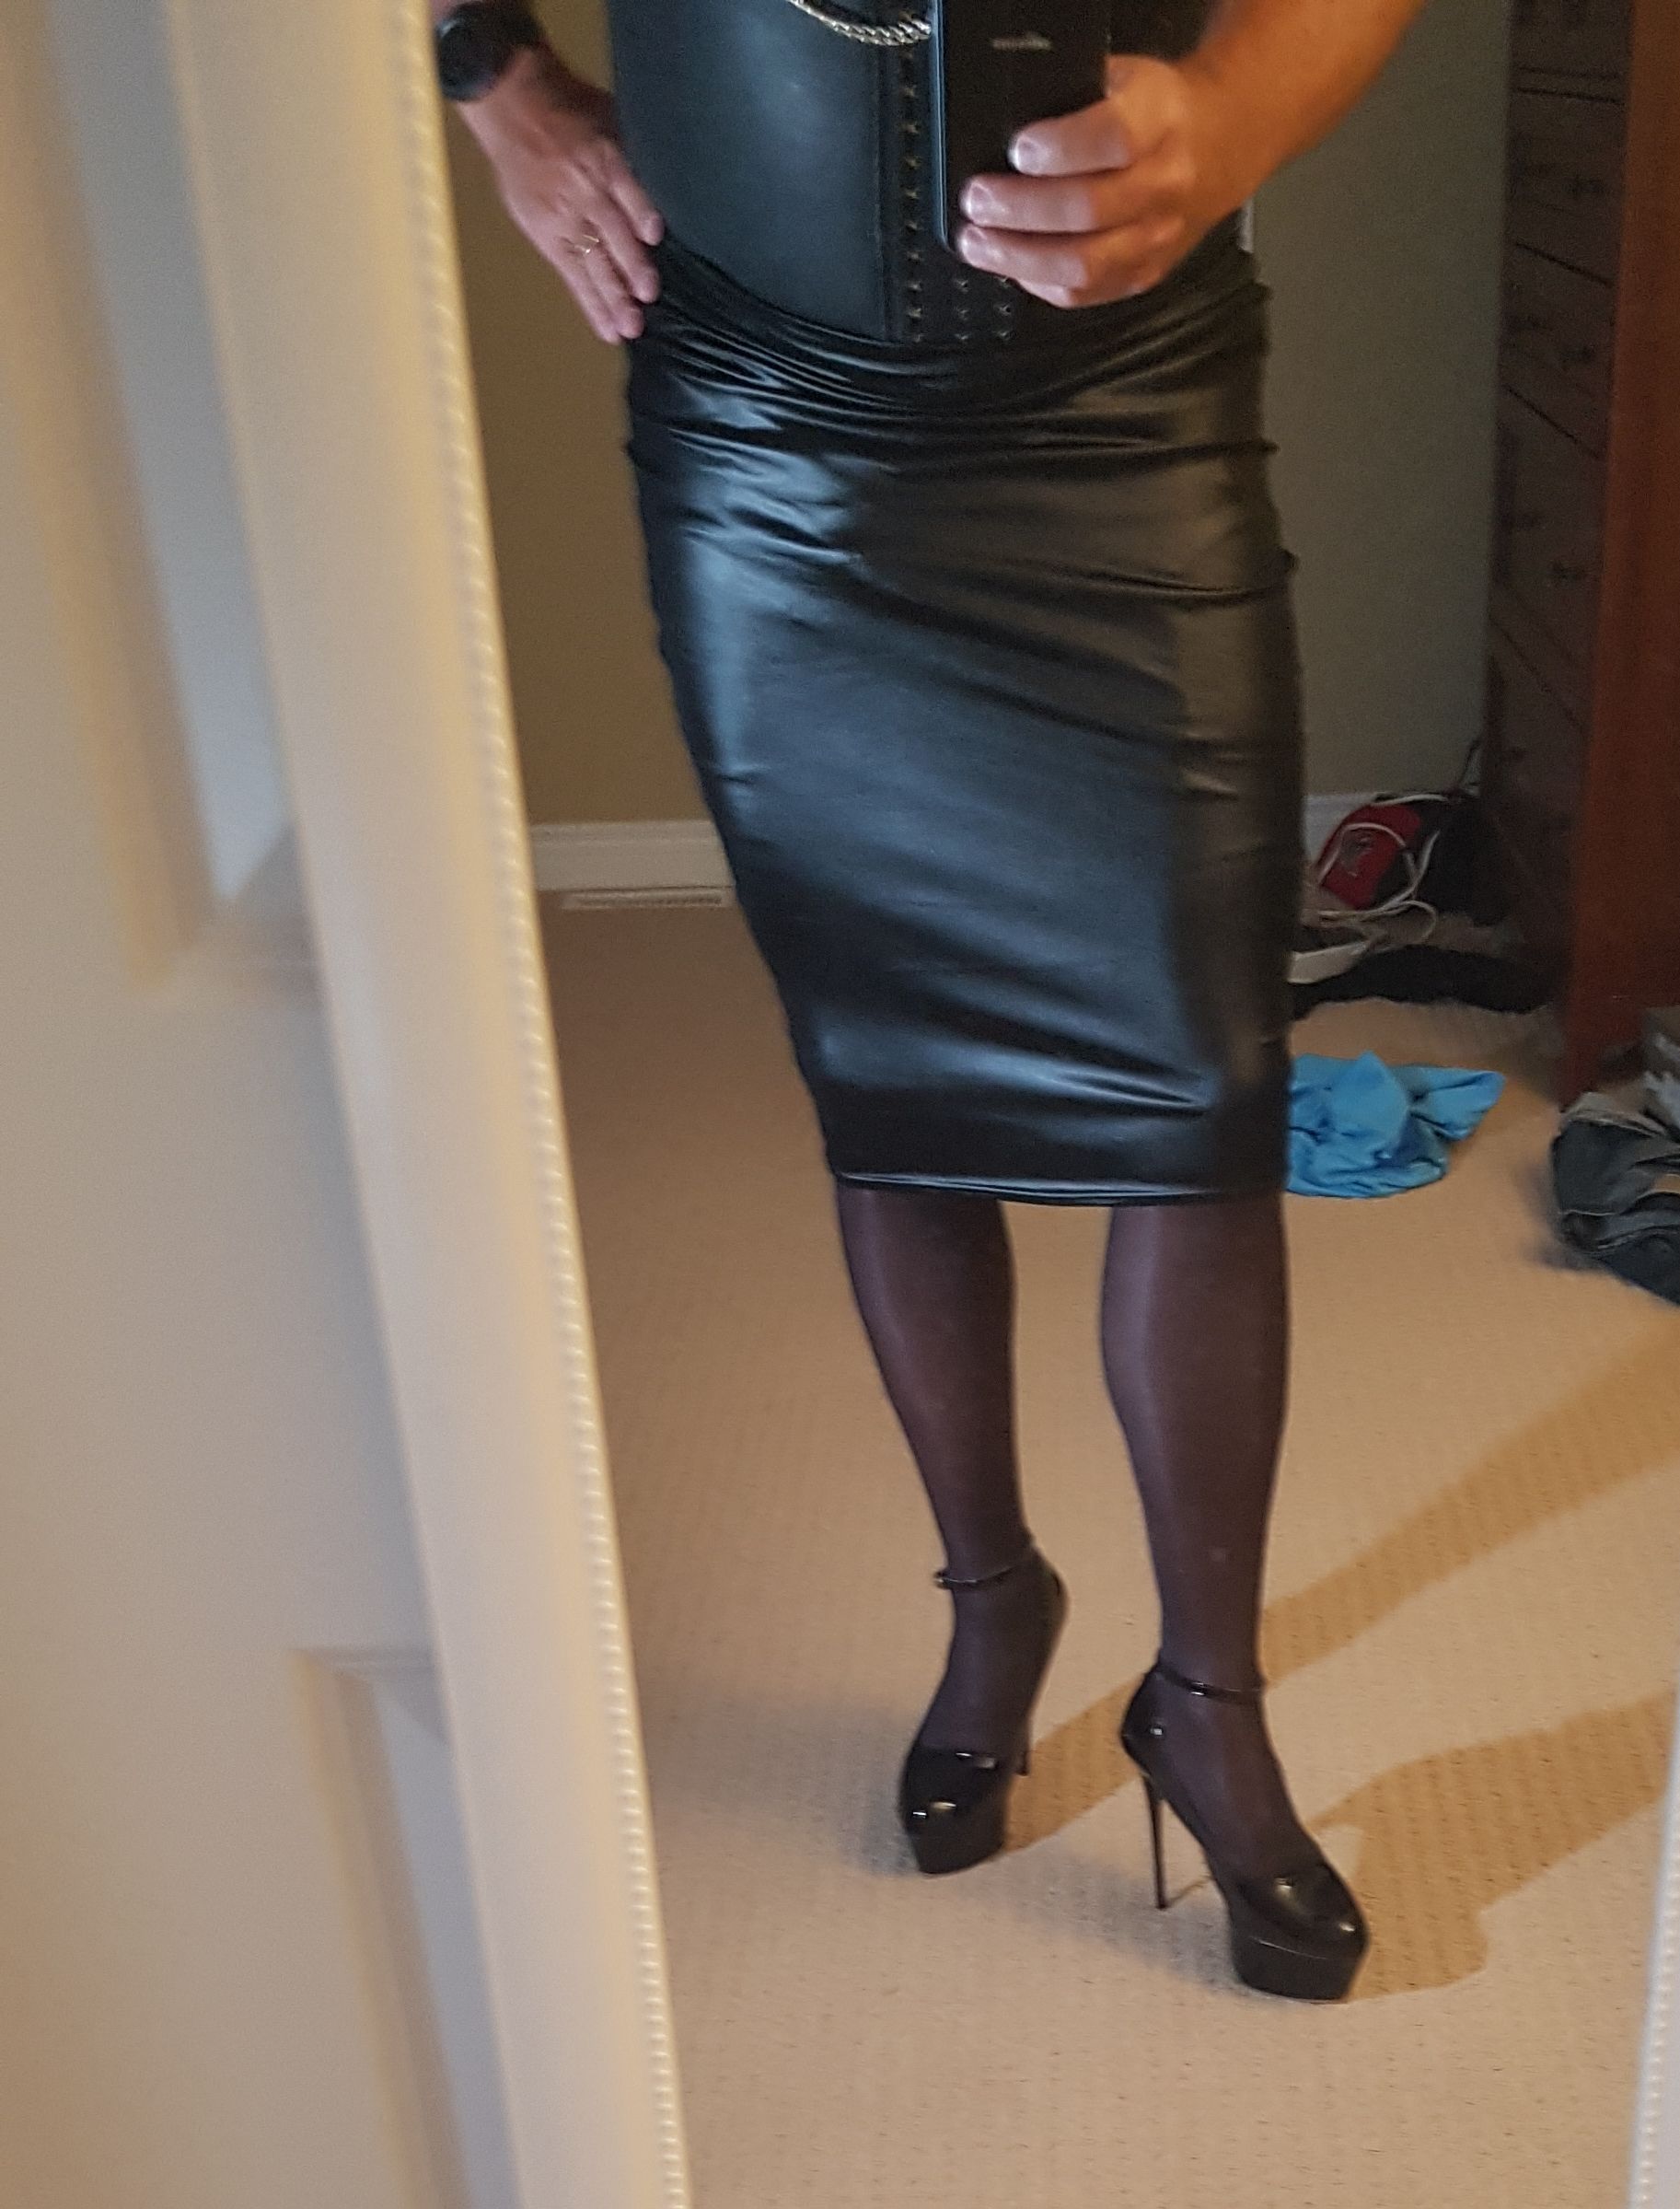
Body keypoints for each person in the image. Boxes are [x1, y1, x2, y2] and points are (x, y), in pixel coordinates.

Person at [434, 0, 1425, 2000]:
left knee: (1201, 1098)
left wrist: (1234, 114)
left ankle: (1208, 1707)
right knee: (885, 1067)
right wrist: (491, 76)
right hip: (768, 426)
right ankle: (994, 1603)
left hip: (1124, 403)